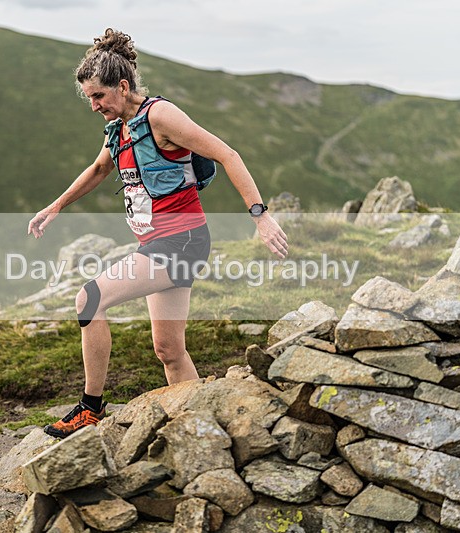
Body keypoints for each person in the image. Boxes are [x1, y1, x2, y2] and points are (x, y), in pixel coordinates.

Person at [27, 28, 288, 439]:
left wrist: (260, 215)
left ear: (123, 85)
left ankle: (90, 408)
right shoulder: (120, 128)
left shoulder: (160, 116)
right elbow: (99, 169)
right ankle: (204, 429)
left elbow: (227, 153)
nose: (94, 106)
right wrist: (56, 206)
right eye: (89, 98)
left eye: (98, 96)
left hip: (181, 242)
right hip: (158, 243)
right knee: (169, 350)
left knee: (89, 298)